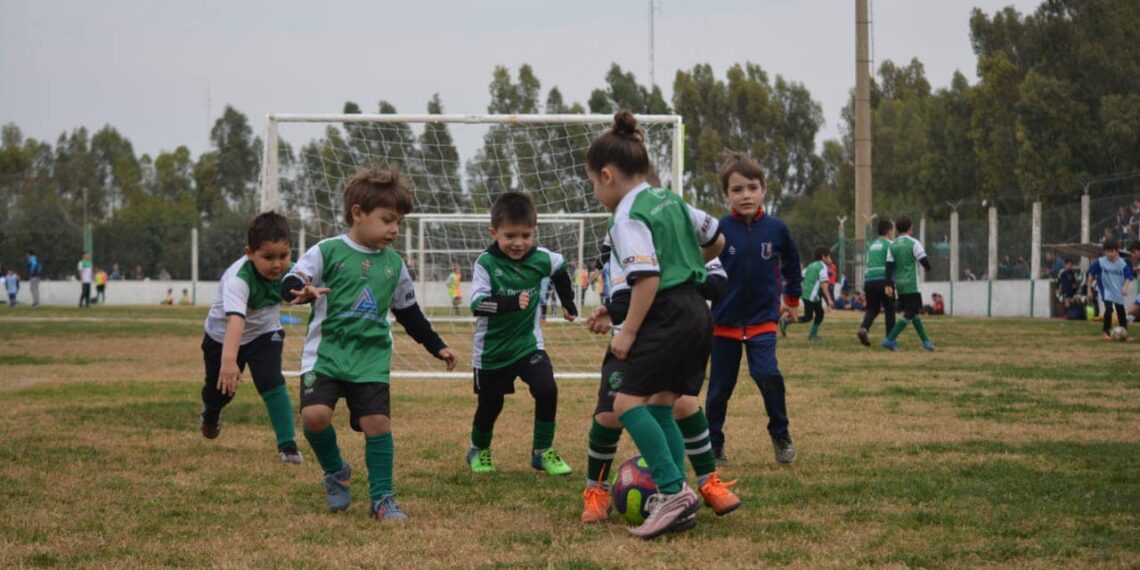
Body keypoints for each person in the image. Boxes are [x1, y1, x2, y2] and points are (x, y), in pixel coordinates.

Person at [578, 111, 724, 539]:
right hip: (698, 312)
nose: (595, 191)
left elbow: (646, 279)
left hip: (666, 315)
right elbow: (717, 240)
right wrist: (686, 263)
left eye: (592, 183)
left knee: (626, 405)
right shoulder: (671, 200)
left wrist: (627, 331)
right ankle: (679, 502)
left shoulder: (626, 216)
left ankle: (672, 491)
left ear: (606, 175)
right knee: (661, 405)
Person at [284, 166, 458, 522]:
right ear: (358, 213)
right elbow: (293, 279)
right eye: (387, 220)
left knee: (377, 422)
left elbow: (409, 312)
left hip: (371, 358)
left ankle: (382, 499)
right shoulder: (327, 251)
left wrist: (437, 346)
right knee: (314, 417)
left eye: (398, 222)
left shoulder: (395, 265)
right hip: (326, 354)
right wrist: (300, 290)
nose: (394, 229)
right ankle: (336, 471)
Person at [581, 252, 740, 524]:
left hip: (677, 335)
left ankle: (705, 482)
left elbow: (717, 282)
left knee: (683, 404)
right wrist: (613, 312)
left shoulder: (686, 235)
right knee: (610, 413)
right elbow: (624, 296)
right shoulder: (627, 238)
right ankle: (597, 490)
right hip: (632, 339)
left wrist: (675, 276)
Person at [466, 191, 578, 476]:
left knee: (546, 389)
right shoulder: (485, 264)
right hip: (492, 351)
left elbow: (560, 267)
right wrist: (511, 302)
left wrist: (568, 303)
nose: (518, 243)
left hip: (528, 344)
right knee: (491, 405)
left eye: (526, 235)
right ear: (494, 233)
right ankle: (479, 449)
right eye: (510, 236)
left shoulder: (542, 258)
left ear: (534, 231)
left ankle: (542, 452)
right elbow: (477, 305)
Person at [705, 151, 801, 469]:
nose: (745, 195)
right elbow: (700, 266)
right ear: (726, 195)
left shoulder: (776, 229)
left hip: (762, 320)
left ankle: (781, 435)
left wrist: (792, 300)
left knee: (767, 375)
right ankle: (714, 445)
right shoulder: (718, 231)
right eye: (737, 189)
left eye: (752, 187)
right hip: (723, 324)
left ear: (763, 190)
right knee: (719, 389)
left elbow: (792, 264)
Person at [199, 212, 303, 465]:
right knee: (221, 393)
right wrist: (228, 361)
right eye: (268, 257)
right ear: (250, 253)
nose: (277, 264)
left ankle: (288, 446)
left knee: (271, 381)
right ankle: (211, 411)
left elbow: (308, 285)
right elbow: (235, 322)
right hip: (222, 337)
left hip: (264, 334)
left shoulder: (292, 271)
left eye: (283, 256)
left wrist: (310, 292)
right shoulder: (238, 279)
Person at [882, 216, 934, 351]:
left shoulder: (892, 245)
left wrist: (888, 284)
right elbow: (923, 260)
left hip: (899, 284)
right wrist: (929, 268)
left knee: (914, 313)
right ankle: (890, 339)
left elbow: (889, 267)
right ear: (910, 228)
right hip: (911, 283)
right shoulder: (914, 243)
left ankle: (926, 342)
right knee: (910, 313)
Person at [858, 220, 897, 346]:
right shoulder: (890, 244)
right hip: (883, 279)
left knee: (873, 308)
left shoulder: (872, 245)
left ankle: (864, 328)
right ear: (889, 231)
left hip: (869, 280)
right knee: (890, 308)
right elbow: (894, 263)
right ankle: (890, 339)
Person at [1086, 239, 1133, 339]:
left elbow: (1128, 277)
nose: (1110, 254)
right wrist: (1089, 289)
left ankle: (1124, 333)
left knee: (1121, 311)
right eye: (1108, 251)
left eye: (1112, 251)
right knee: (1109, 309)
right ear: (1105, 252)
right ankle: (1106, 331)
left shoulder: (1122, 264)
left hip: (1118, 290)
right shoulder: (1100, 262)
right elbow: (1091, 273)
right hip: (1106, 289)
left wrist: (1125, 287)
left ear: (1117, 251)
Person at [793, 246, 834, 340]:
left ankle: (812, 334)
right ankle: (787, 321)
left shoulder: (811, 265)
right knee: (810, 317)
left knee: (818, 314)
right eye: (829, 257)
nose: (831, 259)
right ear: (823, 257)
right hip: (812, 295)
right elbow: (824, 286)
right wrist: (829, 299)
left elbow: (802, 275)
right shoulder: (822, 267)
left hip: (806, 294)